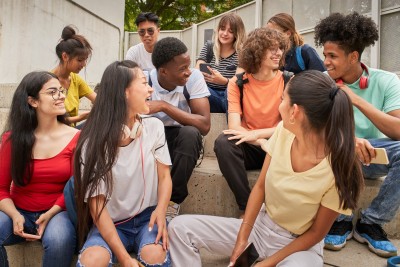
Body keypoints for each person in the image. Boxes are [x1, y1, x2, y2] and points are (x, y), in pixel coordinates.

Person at [168, 70, 364, 267]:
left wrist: (266, 263)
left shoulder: (340, 167)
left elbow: (316, 234)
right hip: (261, 228)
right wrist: (242, 239)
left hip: (300, 246)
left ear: (295, 111)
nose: (279, 106)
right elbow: (260, 188)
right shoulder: (283, 132)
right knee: (179, 228)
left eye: (282, 100)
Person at [314, 12, 400, 258]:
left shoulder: (386, 81)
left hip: (372, 156)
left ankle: (371, 223)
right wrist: (348, 141)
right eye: (325, 55)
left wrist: (356, 101)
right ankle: (340, 217)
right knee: (333, 143)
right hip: (334, 155)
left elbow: (398, 130)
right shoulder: (321, 82)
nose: (326, 62)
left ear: (353, 57)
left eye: (332, 56)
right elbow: (312, 130)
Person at [74, 60, 172, 267]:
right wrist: (126, 259)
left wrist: (162, 210)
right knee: (92, 260)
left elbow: (164, 176)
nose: (151, 89)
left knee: (155, 255)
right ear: (124, 92)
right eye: (144, 83)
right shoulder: (91, 142)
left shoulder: (154, 127)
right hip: (111, 222)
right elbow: (97, 207)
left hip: (148, 218)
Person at [0, 71, 79, 266]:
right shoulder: (13, 139)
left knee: (59, 240)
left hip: (59, 212)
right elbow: (1, 188)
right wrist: (15, 215)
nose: (61, 96)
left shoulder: (76, 137)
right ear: (33, 102)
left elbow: (76, 186)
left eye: (61, 91)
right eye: (53, 92)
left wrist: (51, 212)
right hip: (18, 211)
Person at [214, 28, 289, 215]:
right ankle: (247, 208)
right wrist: (259, 141)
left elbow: (289, 124)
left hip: (277, 144)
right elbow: (234, 127)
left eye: (280, 48)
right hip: (250, 145)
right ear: (256, 51)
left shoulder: (289, 81)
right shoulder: (237, 83)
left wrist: (259, 135)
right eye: (272, 48)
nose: (278, 53)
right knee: (223, 142)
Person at [147, 37, 211, 221]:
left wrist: (164, 106)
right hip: (150, 138)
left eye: (188, 66)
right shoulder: (144, 80)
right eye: (182, 69)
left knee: (191, 134)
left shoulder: (194, 78)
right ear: (163, 72)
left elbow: (205, 125)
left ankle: (172, 202)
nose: (188, 72)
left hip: (179, 138)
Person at [195, 13, 246, 113]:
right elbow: (196, 72)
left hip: (230, 96)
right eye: (222, 29)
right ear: (218, 30)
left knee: (229, 91)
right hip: (209, 94)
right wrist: (201, 75)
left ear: (237, 34)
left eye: (230, 31)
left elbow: (238, 82)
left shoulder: (242, 52)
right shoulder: (209, 46)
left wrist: (224, 81)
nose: (225, 34)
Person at [52, 25, 96, 127]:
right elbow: (52, 120)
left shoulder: (76, 80)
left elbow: (98, 100)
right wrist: (80, 117)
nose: (84, 64)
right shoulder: (48, 81)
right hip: (54, 134)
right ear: (65, 56)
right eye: (80, 60)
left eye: (85, 60)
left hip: (71, 133)